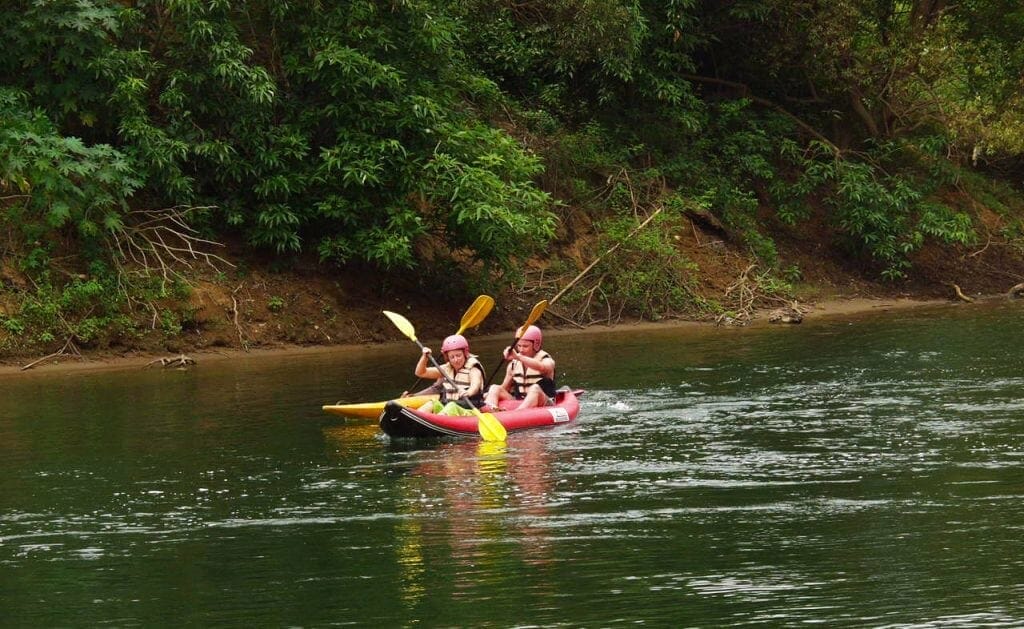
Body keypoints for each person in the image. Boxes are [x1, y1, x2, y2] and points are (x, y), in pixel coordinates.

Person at [484, 325, 556, 411]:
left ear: (536, 344)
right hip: (520, 402)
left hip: (544, 402)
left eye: (525, 346)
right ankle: (491, 410)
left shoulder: (546, 360)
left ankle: (514, 415)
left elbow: (542, 367)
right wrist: (488, 394)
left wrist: (518, 357)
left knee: (535, 389)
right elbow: (504, 389)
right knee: (495, 388)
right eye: (519, 346)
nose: (521, 350)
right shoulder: (513, 365)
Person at [413, 334, 485, 415]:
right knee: (432, 403)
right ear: (448, 358)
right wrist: (424, 357)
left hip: (469, 410)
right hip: (449, 407)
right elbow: (420, 373)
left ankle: (437, 421)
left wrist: (468, 392)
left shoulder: (474, 369)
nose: (456, 360)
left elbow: (475, 386)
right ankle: (415, 421)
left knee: (451, 406)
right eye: (452, 357)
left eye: (458, 355)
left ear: (465, 353)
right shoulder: (446, 369)